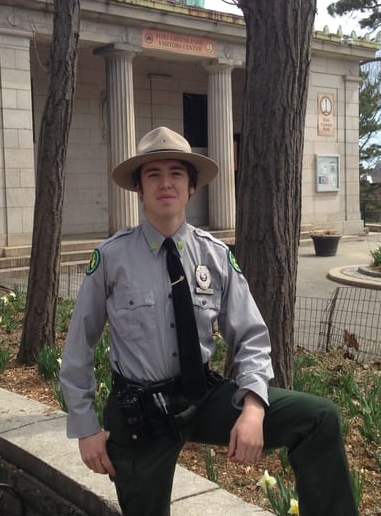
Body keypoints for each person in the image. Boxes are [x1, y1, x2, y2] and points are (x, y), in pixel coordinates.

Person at [59, 127, 358, 515]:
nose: (165, 183)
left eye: (176, 173)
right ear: (138, 187)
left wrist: (253, 406)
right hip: (141, 413)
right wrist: (85, 427)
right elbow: (78, 347)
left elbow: (251, 336)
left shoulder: (214, 256)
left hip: (200, 395)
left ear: (192, 185)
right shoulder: (111, 259)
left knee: (318, 419)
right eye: (153, 174)